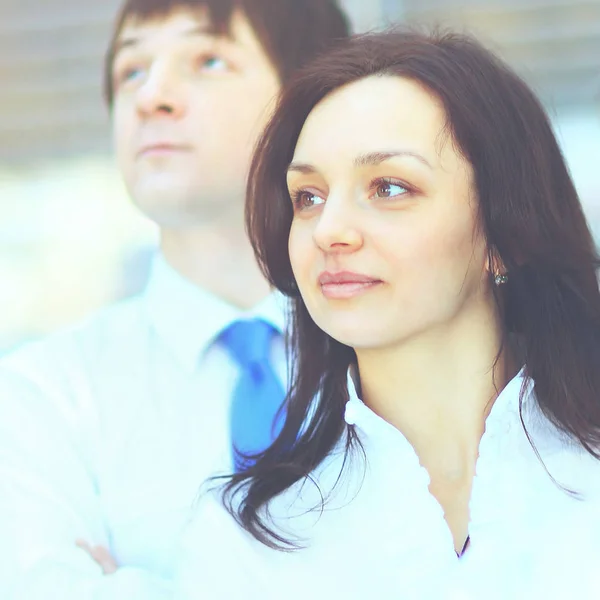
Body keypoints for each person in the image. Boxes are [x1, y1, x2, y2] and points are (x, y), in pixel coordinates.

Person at [172, 29, 600, 599]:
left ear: (503, 232)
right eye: (309, 196)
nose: (329, 231)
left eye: (389, 187)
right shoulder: (246, 539)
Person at [0, 1, 350, 599]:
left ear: (310, 101)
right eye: (130, 71)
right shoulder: (46, 394)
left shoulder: (403, 354)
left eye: (208, 59)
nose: (150, 97)